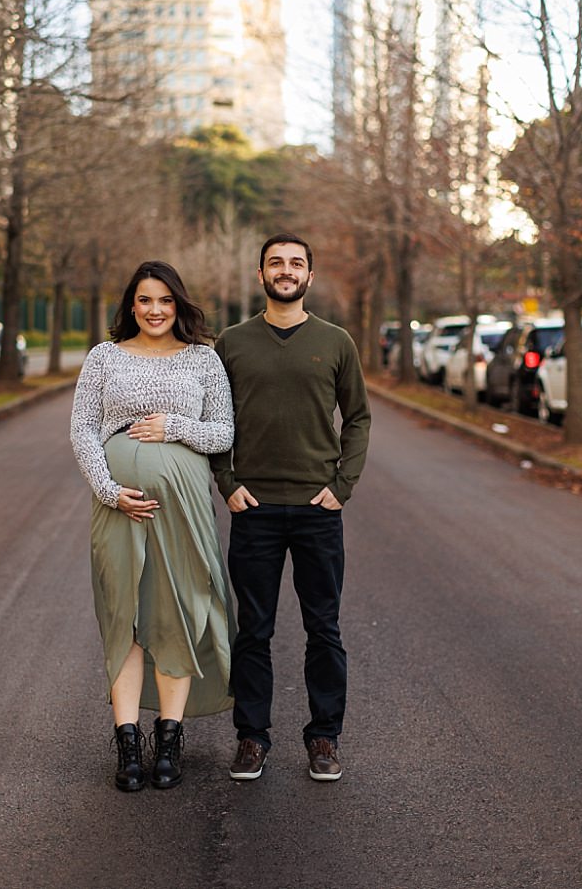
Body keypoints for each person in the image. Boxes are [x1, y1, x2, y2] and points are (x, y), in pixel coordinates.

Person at [210, 233, 371, 783]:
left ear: (309, 275)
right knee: (253, 631)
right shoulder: (232, 343)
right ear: (261, 275)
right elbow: (214, 419)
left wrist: (342, 486)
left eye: (296, 263)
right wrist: (226, 482)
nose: (286, 270)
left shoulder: (336, 341)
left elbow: (358, 418)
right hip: (253, 508)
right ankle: (252, 738)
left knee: (323, 628)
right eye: (276, 262)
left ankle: (324, 737)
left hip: (317, 510)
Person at [70, 260, 236, 793]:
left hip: (182, 510)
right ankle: (127, 745)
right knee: (124, 617)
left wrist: (174, 427)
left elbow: (224, 433)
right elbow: (82, 430)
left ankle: (168, 740)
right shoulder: (104, 357)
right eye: (145, 300)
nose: (155, 310)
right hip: (117, 507)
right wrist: (108, 490)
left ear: (178, 304)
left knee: (175, 616)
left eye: (165, 300)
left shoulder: (203, 359)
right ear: (131, 305)